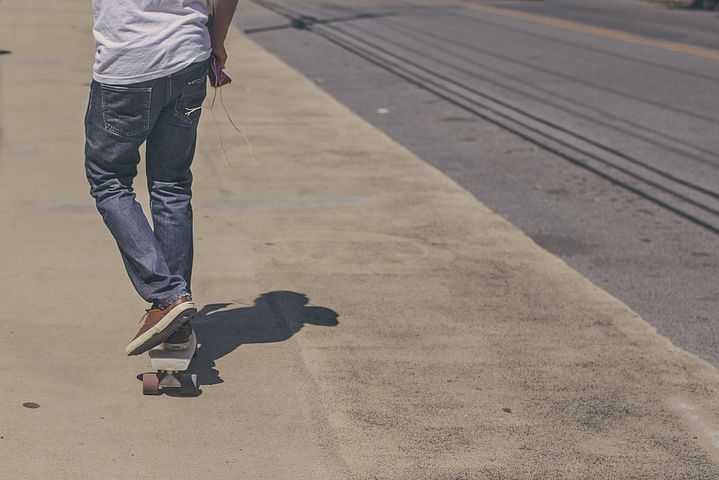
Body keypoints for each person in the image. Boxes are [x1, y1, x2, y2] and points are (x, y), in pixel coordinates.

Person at [84, 0, 239, 356]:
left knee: (109, 181)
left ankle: (167, 296)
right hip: (188, 57)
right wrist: (217, 41)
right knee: (171, 185)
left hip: (127, 66)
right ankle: (177, 322)